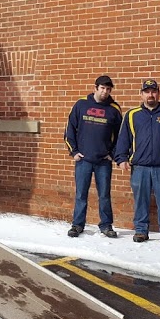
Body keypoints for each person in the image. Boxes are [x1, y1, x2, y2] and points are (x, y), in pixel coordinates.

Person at [112, 79, 160, 246]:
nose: (150, 95)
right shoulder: (132, 115)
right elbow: (123, 138)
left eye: (153, 91)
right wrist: (121, 158)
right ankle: (141, 230)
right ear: (141, 94)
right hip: (140, 167)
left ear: (158, 93)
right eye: (147, 92)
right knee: (140, 200)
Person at [64, 75, 123, 238]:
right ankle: (77, 225)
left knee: (104, 195)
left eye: (108, 89)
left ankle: (106, 225)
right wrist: (74, 151)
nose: (105, 91)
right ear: (95, 88)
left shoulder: (114, 109)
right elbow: (69, 129)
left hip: (103, 161)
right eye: (102, 88)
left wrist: (112, 154)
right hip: (83, 160)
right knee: (81, 194)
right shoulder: (81, 104)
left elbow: (121, 136)